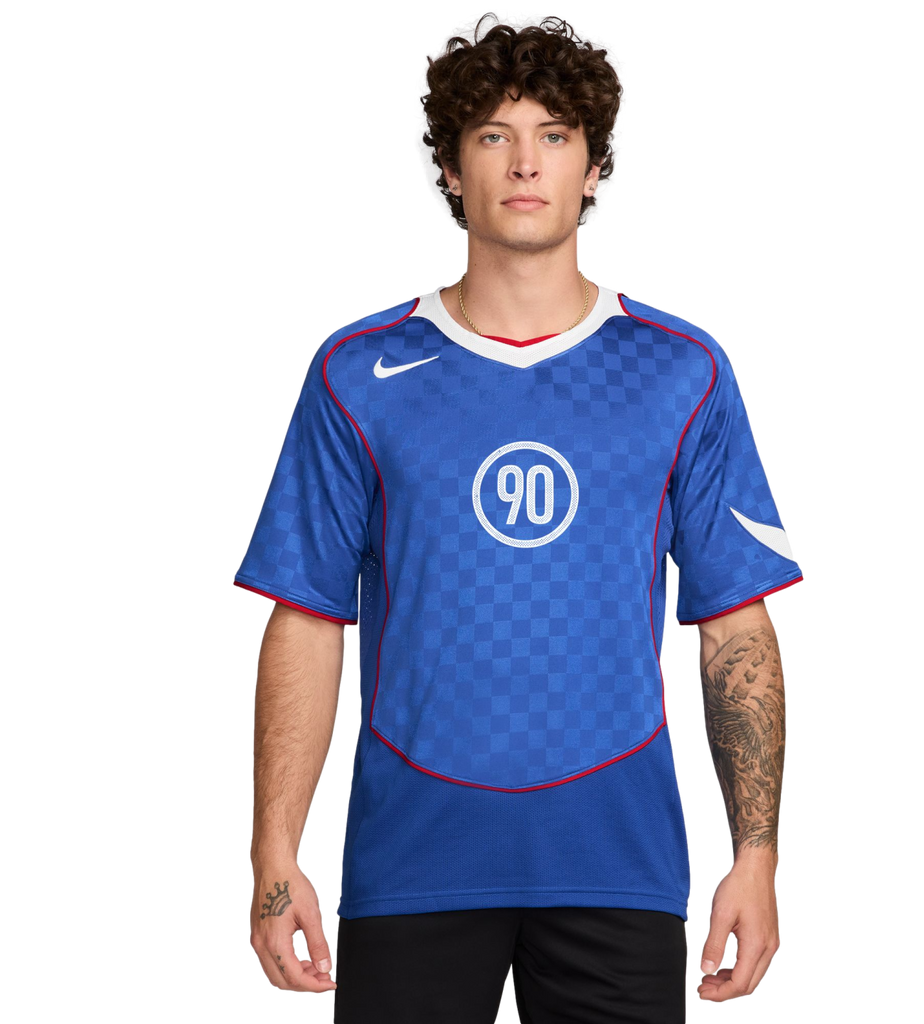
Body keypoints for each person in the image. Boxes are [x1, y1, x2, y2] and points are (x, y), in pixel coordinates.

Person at [235, 14, 799, 1022]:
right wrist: (273, 856)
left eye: (555, 135)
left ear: (597, 171)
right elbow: (308, 618)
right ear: (449, 170)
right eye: (493, 135)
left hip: (621, 866)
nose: (526, 162)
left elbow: (734, 626)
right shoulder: (356, 368)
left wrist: (756, 857)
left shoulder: (683, 367)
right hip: (409, 865)